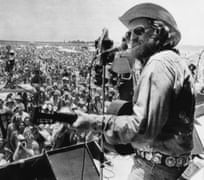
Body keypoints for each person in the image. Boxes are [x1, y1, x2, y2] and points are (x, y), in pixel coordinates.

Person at [72, 3, 195, 180]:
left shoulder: (158, 64)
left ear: (158, 32)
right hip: (169, 165)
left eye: (138, 31)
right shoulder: (173, 60)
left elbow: (141, 129)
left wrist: (95, 122)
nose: (132, 38)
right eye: (129, 34)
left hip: (153, 170)